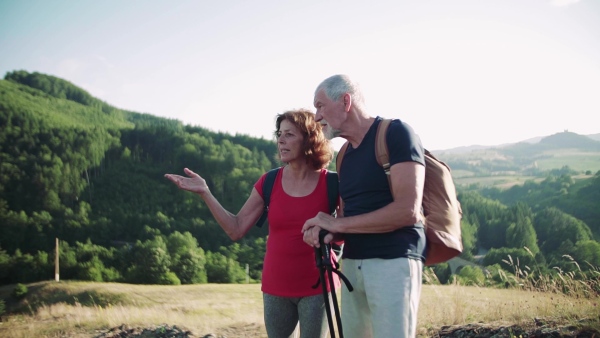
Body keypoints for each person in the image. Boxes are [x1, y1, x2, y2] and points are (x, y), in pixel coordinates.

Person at [165, 109, 340, 338]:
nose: (280, 140)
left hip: (318, 286)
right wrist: (205, 192)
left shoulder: (332, 183)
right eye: (279, 134)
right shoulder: (269, 182)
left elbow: (348, 230)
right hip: (276, 288)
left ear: (309, 138)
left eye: (289, 134)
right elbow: (236, 229)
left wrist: (327, 229)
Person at [301, 74, 426, 338]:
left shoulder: (396, 133)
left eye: (320, 105)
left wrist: (336, 223)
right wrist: (328, 233)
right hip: (353, 265)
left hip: (394, 262)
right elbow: (348, 219)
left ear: (346, 101)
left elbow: (408, 210)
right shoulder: (343, 155)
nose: (316, 115)